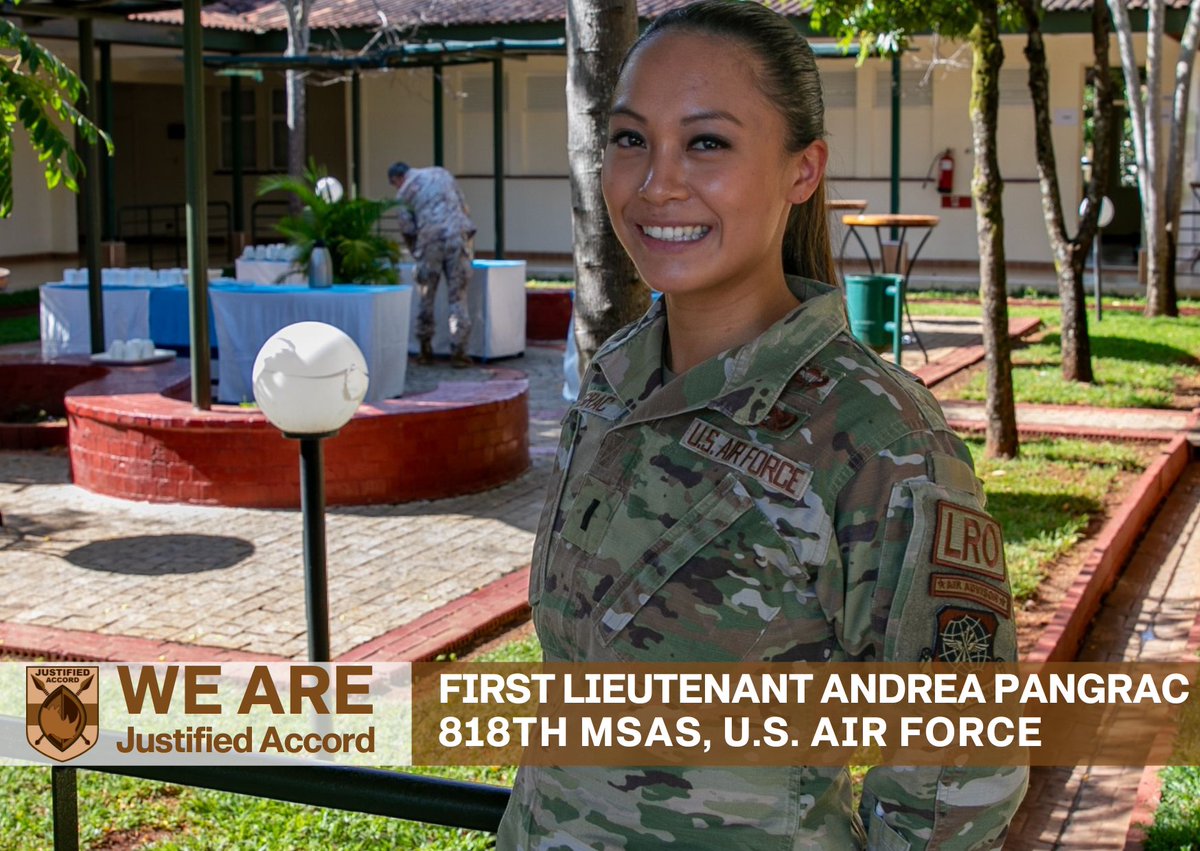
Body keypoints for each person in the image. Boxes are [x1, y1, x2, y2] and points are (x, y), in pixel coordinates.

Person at [497, 2, 1027, 849]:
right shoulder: (616, 380)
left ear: (802, 170)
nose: (655, 182)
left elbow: (957, 773)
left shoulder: (876, 440)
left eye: (706, 142)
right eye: (630, 139)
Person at [388, 161, 477, 368]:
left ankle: (425, 350)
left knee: (426, 297)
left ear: (398, 179)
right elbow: (464, 208)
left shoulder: (403, 194)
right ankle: (460, 352)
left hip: (430, 243)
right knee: (458, 298)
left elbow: (408, 229)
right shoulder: (441, 174)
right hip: (458, 238)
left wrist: (416, 253)